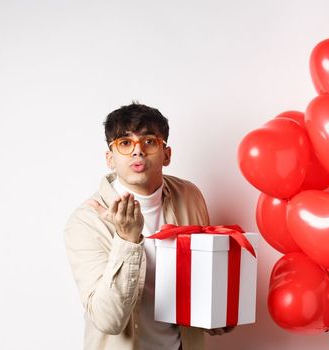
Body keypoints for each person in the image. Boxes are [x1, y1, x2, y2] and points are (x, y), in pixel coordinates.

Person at [63, 103, 233, 350]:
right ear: (110, 158)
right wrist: (128, 240)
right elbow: (107, 320)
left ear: (167, 154)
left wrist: (215, 316)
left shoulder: (189, 196)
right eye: (125, 143)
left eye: (149, 142)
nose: (137, 152)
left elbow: (199, 280)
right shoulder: (85, 222)